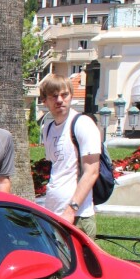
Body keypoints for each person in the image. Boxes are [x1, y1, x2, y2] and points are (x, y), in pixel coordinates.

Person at [38, 74, 101, 236]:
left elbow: (92, 172)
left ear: (71, 96)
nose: (59, 100)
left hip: (77, 217)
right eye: (53, 96)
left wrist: (71, 210)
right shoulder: (48, 128)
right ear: (45, 101)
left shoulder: (83, 124)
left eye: (64, 95)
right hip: (53, 213)